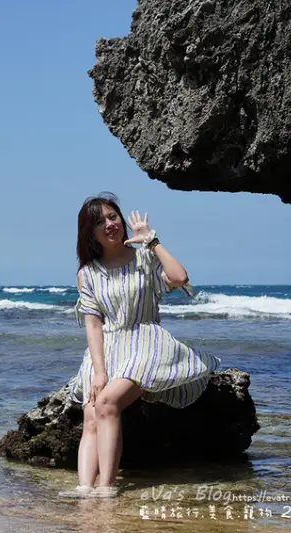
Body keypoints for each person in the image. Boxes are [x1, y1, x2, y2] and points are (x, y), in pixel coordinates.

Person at [59, 193, 220, 499]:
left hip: (145, 342)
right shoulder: (88, 273)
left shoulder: (144, 258)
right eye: (100, 222)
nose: (110, 224)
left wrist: (152, 241)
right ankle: (84, 489)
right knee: (91, 413)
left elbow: (179, 278)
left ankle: (106, 487)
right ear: (90, 233)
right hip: (107, 348)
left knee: (107, 403)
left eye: (113, 216)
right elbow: (93, 325)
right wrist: (98, 371)